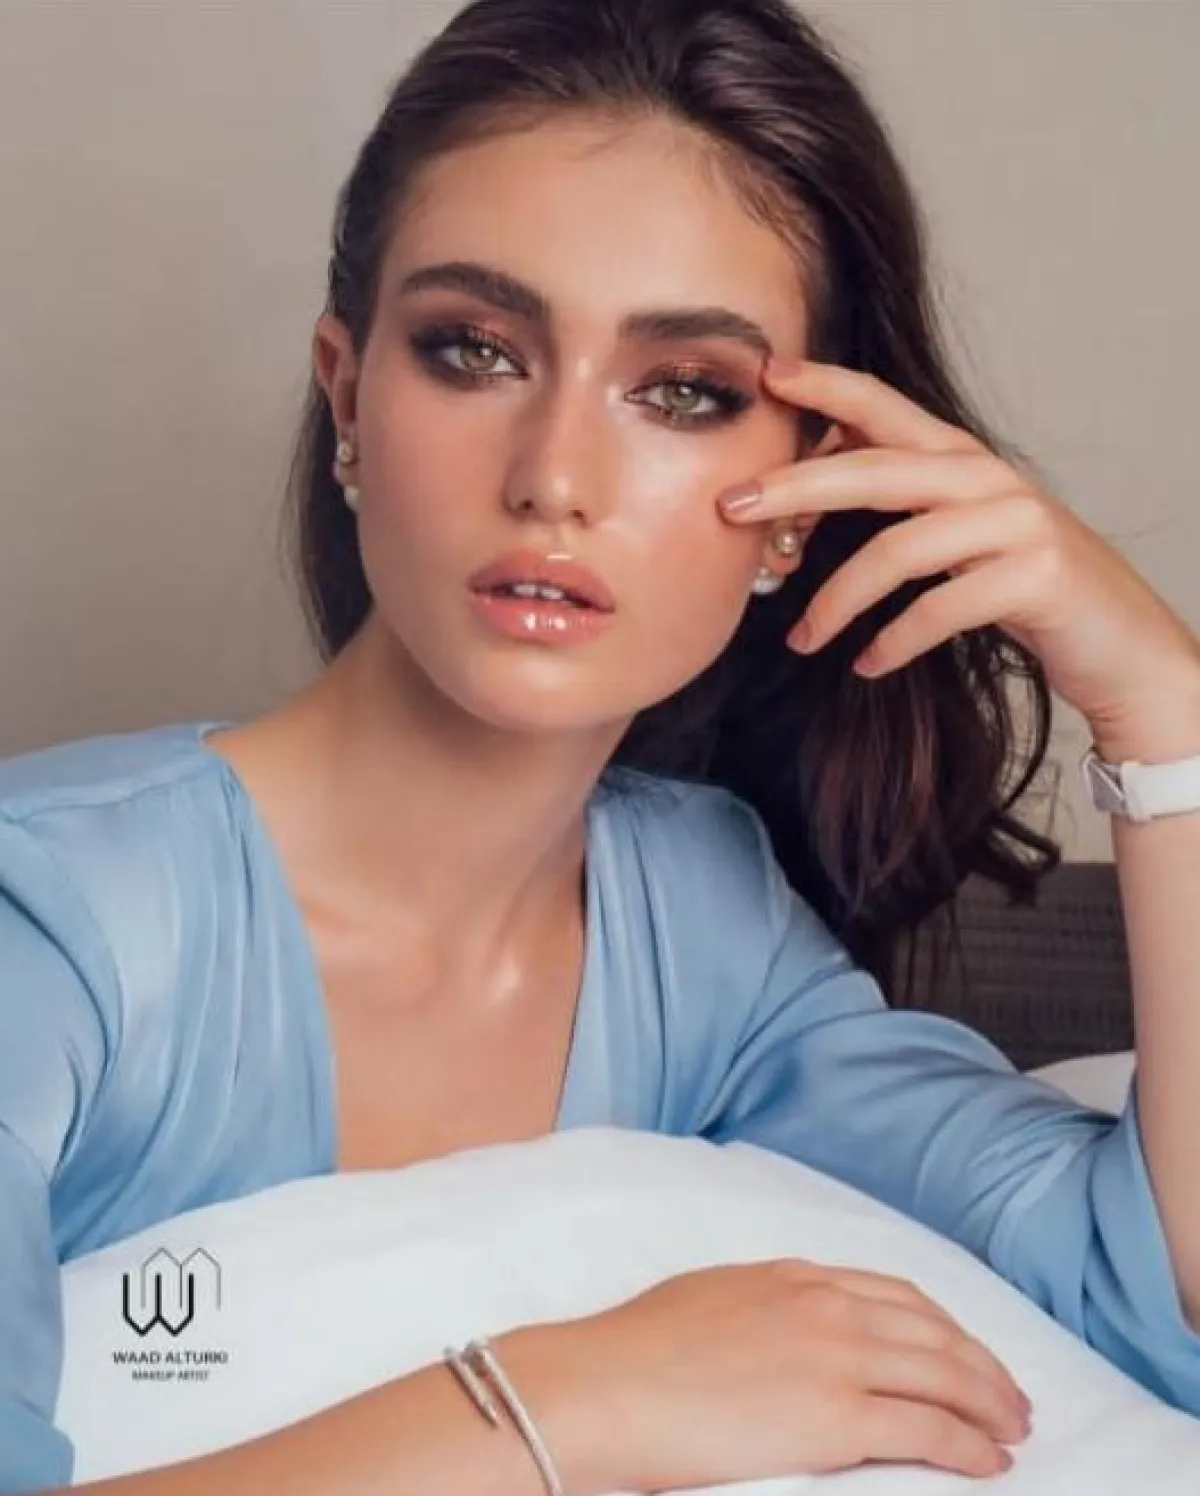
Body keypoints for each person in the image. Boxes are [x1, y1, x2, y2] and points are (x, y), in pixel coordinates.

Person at [2, 0, 1199, 1492]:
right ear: (348, 395)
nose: (555, 477)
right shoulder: (52, 922)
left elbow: (1149, 1302)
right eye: (474, 351)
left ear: (804, 500)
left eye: (683, 391)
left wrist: (1164, 708)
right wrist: (556, 1402)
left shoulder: (704, 933)